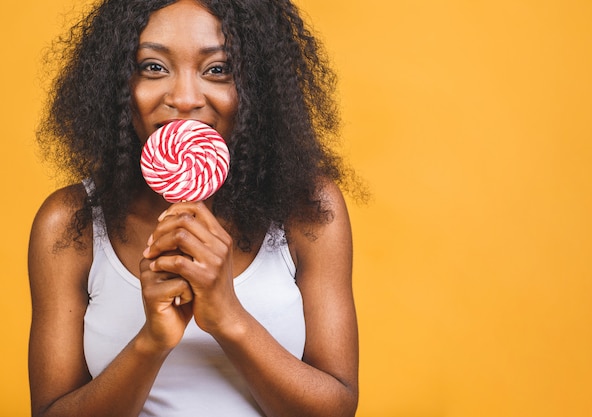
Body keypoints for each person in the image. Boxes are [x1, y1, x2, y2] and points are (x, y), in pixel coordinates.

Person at [28, 0, 360, 416]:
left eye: (218, 69)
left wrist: (227, 316)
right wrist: (151, 342)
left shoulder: (307, 209)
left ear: (257, 86)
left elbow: (337, 409)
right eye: (153, 67)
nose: (184, 99)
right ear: (116, 83)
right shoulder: (69, 224)